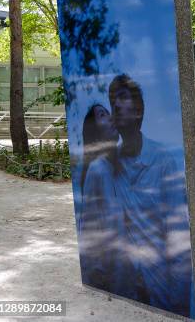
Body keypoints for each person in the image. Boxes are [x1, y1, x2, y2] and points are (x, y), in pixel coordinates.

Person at [108, 73, 194, 317]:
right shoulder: (109, 164)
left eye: (122, 98)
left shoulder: (163, 160)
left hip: (162, 287)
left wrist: (178, 298)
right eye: (112, 99)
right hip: (126, 288)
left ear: (138, 111)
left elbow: (178, 234)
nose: (115, 104)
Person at [78, 103, 129, 294]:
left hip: (123, 278)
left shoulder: (116, 166)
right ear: (94, 129)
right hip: (108, 279)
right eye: (102, 114)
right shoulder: (98, 169)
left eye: (108, 112)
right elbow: (89, 230)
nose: (110, 117)